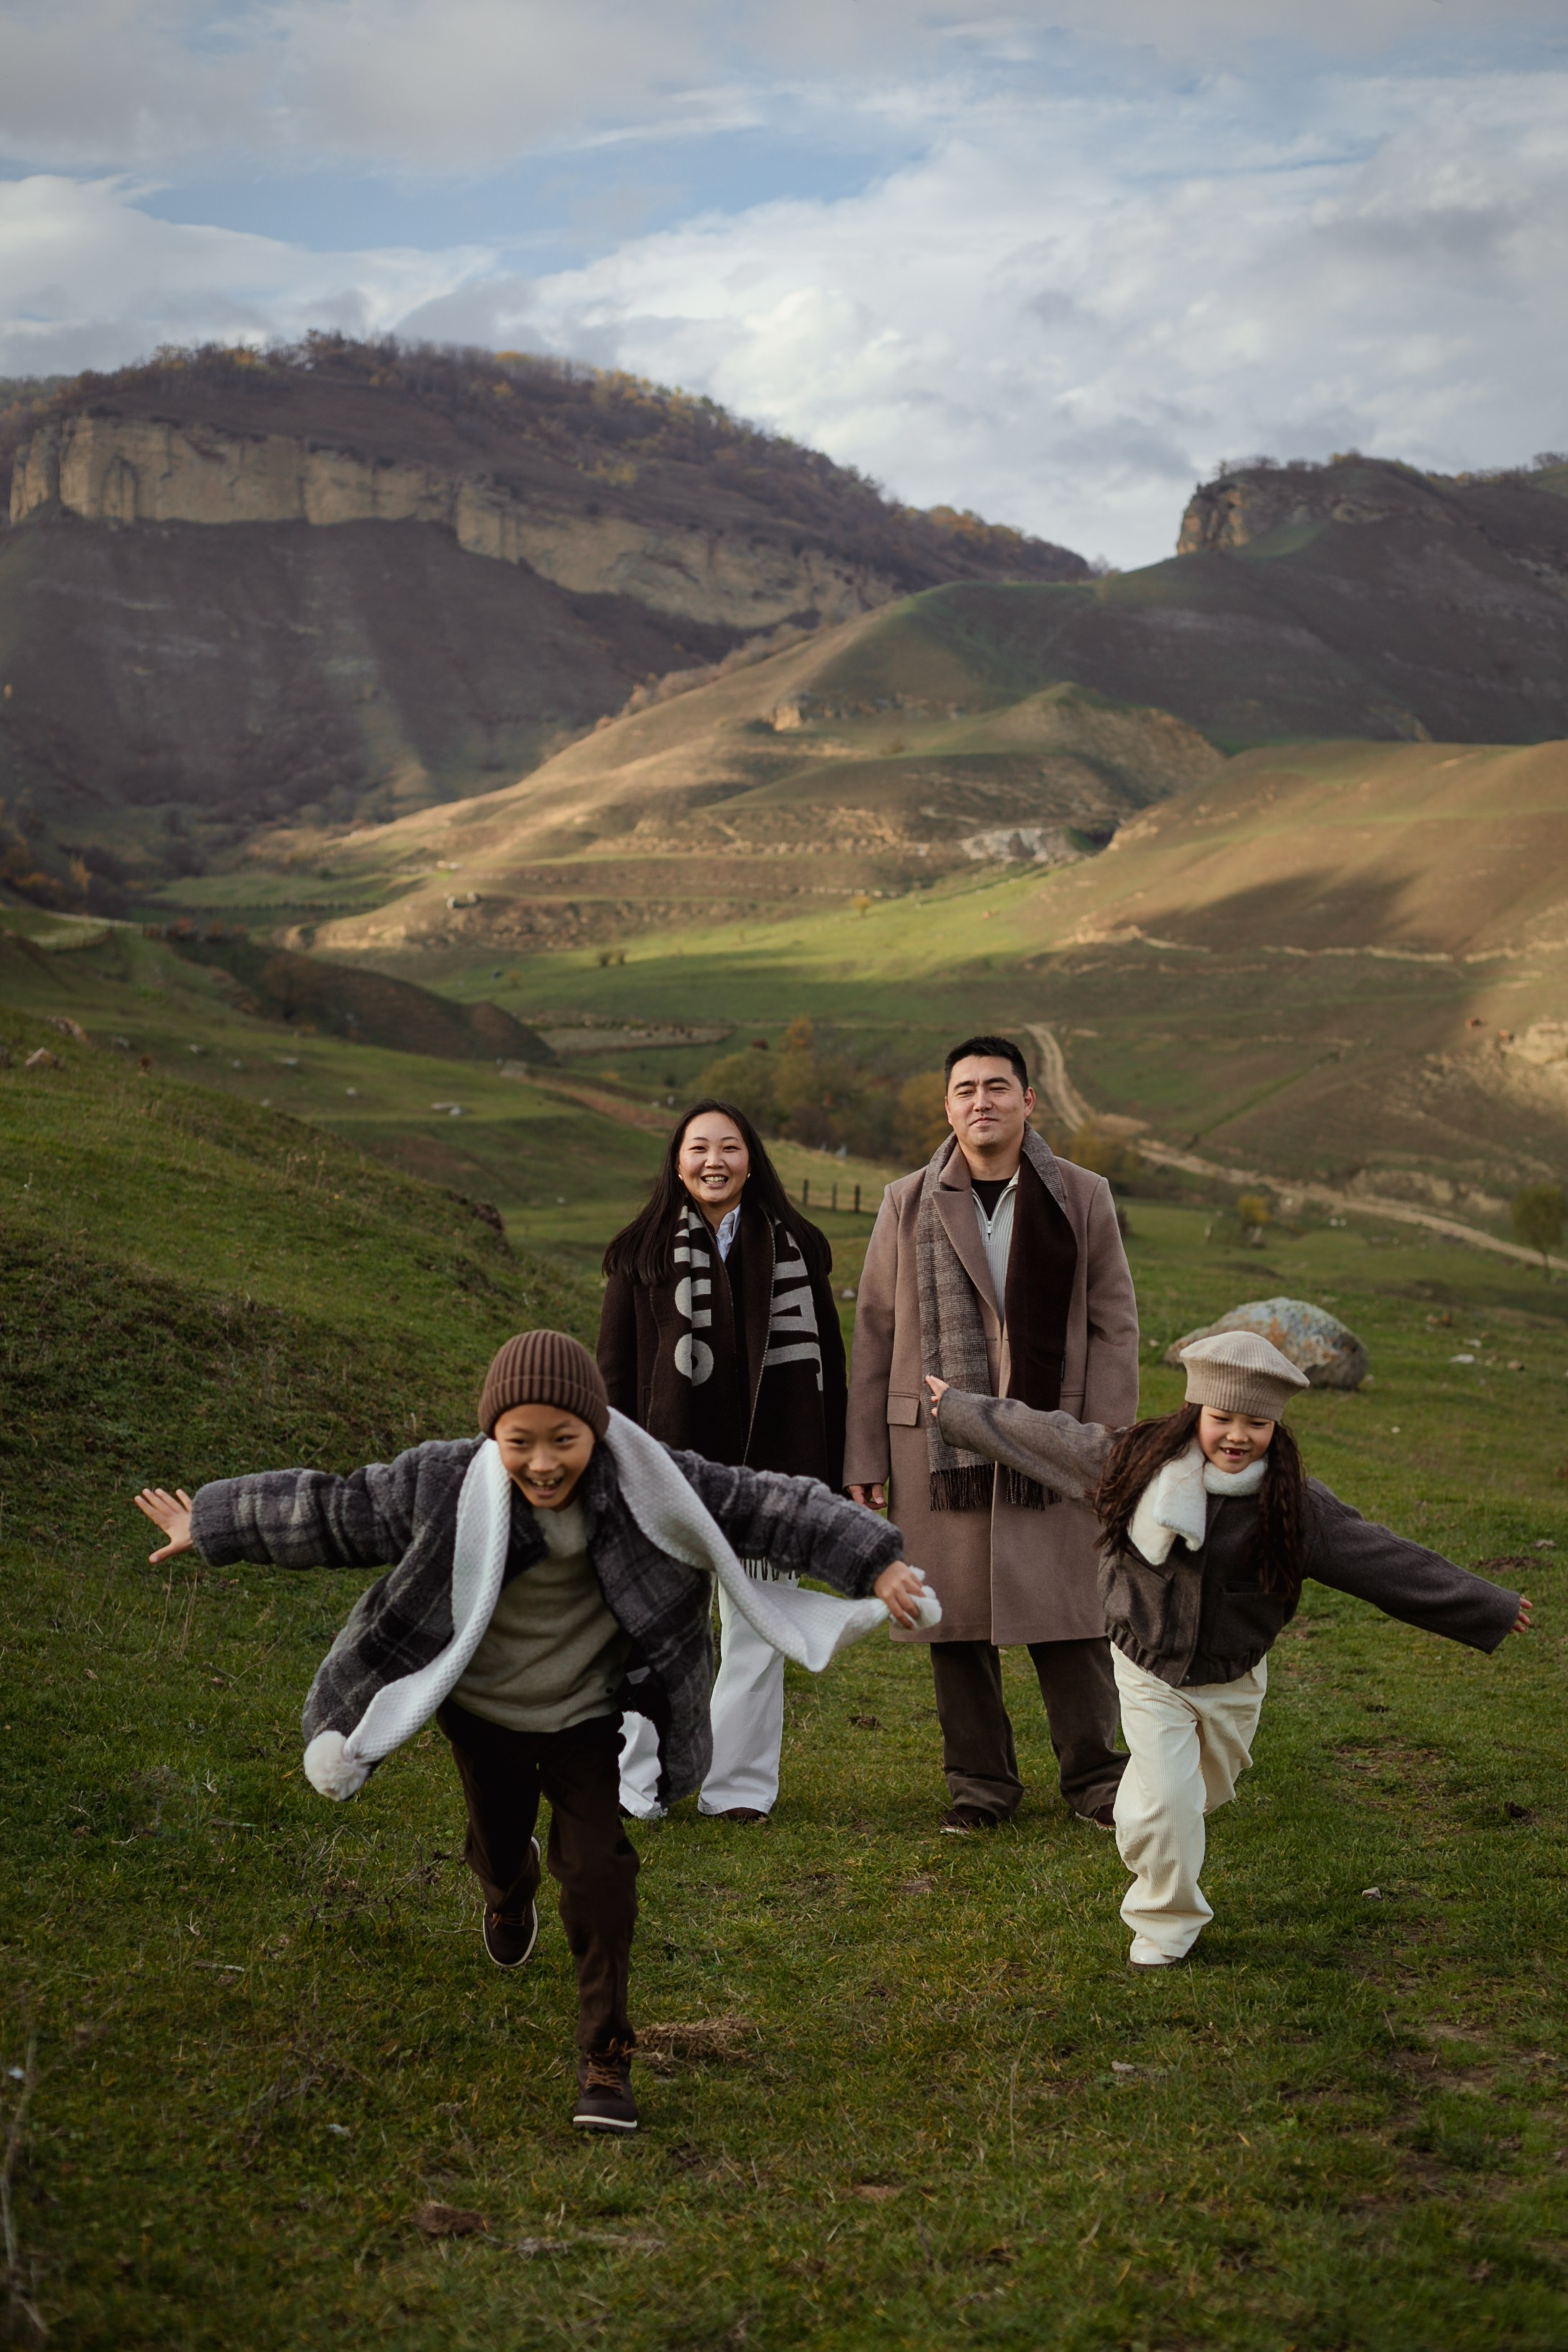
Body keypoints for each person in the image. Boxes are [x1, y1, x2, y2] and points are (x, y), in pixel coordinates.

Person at [133, 1329, 930, 2133]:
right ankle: (508, 1893)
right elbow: (339, 1508)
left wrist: (876, 1561)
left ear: (598, 1431)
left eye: (565, 1440)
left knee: (601, 1877)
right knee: (500, 1843)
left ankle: (606, 2057)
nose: (543, 1462)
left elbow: (767, 1503)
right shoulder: (441, 1482)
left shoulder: (653, 1485)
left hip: (585, 1721)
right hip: (480, 1715)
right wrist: (215, 1522)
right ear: (492, 1436)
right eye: (520, 1442)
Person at [926, 1329, 1532, 1967]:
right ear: (1195, 1412)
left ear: (1276, 1426)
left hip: (1230, 1679)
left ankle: (1157, 1811)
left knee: (1197, 1794)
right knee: (1164, 1807)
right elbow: (1042, 1435)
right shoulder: (1133, 1462)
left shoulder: (1291, 1505)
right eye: (1222, 1418)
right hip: (1148, 1662)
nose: (1237, 1435)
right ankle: (1165, 1926)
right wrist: (959, 1410)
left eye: (1256, 1422)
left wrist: (1484, 1606)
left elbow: (1384, 1562)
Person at [846, 1034, 1139, 1833]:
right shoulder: (905, 1201)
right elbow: (873, 1331)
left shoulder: (1082, 1194)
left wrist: (1108, 1443)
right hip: (937, 1448)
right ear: (948, 1106)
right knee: (956, 1623)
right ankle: (979, 1788)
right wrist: (865, 1455)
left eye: (998, 1086)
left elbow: (1115, 1325)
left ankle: (1097, 1780)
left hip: (1056, 1437)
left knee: (1071, 1616)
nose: (982, 1101)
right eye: (966, 1088)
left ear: (1026, 1101)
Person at [599, 1098, 847, 1825]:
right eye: (699, 1146)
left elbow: (826, 1363)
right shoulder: (638, 1251)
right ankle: (636, 1785)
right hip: (662, 1476)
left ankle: (737, 1788)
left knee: (757, 1632)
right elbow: (614, 1373)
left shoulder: (798, 1244)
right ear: (677, 1159)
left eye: (729, 1147)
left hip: (773, 1476)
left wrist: (828, 1475)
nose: (714, 1161)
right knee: (653, 1632)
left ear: (752, 1158)